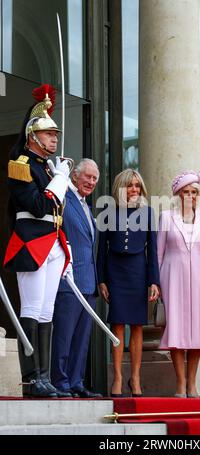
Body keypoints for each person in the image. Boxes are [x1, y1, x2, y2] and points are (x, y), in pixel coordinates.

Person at [3, 84, 72, 398]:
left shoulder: (46, 167)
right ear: (33, 137)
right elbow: (40, 206)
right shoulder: (21, 165)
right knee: (31, 309)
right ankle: (32, 380)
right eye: (49, 134)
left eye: (55, 134)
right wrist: (60, 180)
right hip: (31, 244)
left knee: (47, 312)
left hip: (53, 243)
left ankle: (44, 378)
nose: (54, 138)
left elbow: (56, 214)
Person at [157, 170, 200, 398]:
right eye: (186, 192)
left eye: (194, 192)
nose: (190, 196)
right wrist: (156, 284)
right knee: (176, 330)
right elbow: (159, 253)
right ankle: (180, 384)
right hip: (172, 277)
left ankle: (192, 384)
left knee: (197, 332)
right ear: (178, 194)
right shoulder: (166, 217)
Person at [97, 169, 160, 397]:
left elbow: (152, 249)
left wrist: (154, 280)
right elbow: (101, 250)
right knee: (116, 324)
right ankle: (118, 377)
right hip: (115, 272)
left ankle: (135, 377)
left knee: (136, 325)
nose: (134, 190)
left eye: (137, 186)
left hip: (137, 272)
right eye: (129, 186)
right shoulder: (108, 211)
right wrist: (101, 279)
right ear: (120, 188)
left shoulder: (148, 213)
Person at [51, 159, 102, 398]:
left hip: (88, 284)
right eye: (87, 177)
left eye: (94, 179)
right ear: (74, 177)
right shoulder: (64, 199)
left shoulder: (86, 206)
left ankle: (75, 381)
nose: (91, 182)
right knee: (64, 334)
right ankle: (60, 382)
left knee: (82, 339)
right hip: (68, 280)